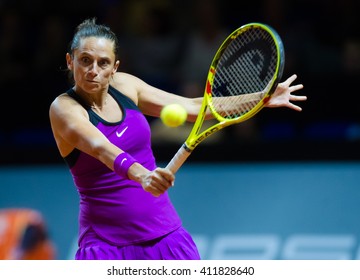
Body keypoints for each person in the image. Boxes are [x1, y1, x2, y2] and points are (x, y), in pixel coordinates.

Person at [49, 18, 306, 260]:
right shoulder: (64, 108)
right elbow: (101, 147)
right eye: (85, 60)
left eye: (103, 63)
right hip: (106, 245)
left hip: (166, 236)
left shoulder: (126, 86)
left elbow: (196, 107)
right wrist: (142, 175)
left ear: (115, 67)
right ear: (70, 61)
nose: (93, 70)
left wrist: (260, 98)